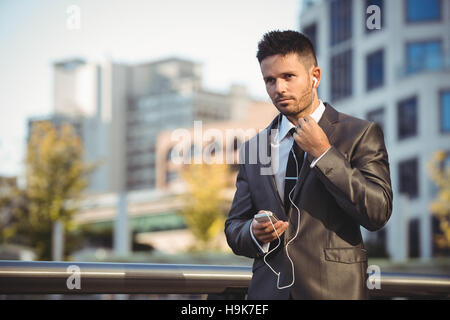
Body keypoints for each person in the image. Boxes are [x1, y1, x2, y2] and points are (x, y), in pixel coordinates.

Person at [224, 30, 393, 300]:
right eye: (270, 80)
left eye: (288, 77)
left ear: (315, 76)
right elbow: (234, 227)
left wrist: (323, 153)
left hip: (334, 292)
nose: (278, 88)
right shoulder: (254, 148)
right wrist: (253, 233)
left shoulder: (360, 133)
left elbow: (377, 212)